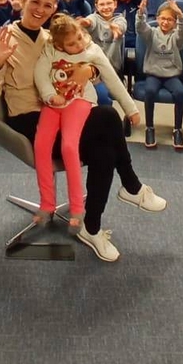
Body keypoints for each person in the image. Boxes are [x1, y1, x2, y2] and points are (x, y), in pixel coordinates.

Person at [0, 0, 167, 264]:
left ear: (54, 8)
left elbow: (93, 60)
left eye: (47, 5)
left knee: (104, 149)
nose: (40, 9)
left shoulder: (53, 37)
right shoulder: (4, 38)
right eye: (35, 2)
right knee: (107, 117)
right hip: (29, 120)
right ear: (23, 1)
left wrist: (89, 71)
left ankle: (92, 226)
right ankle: (131, 187)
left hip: (65, 111)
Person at [34, 14, 139, 232]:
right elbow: (40, 74)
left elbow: (112, 79)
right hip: (53, 103)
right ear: (59, 45)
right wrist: (50, 95)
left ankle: (77, 208)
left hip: (79, 102)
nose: (79, 45)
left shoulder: (92, 51)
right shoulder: (50, 49)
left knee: (69, 147)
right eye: (71, 44)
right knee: (41, 146)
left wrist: (131, 109)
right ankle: (46, 204)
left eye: (80, 38)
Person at [135, 0, 183, 151]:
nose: (165, 22)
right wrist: (141, 13)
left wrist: (180, 14)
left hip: (171, 75)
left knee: (180, 93)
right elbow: (140, 28)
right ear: (158, 18)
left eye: (170, 20)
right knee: (149, 91)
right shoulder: (151, 33)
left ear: (174, 22)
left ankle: (177, 129)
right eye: (163, 19)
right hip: (154, 74)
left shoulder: (177, 37)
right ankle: (149, 127)